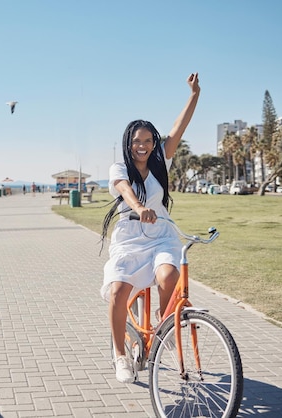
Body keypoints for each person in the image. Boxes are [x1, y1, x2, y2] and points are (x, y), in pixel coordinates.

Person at [100, 73, 200, 383]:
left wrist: (194, 95)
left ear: (153, 142)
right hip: (130, 239)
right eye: (136, 141)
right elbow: (125, 189)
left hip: (160, 237)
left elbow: (178, 128)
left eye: (147, 140)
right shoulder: (119, 168)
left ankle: (163, 320)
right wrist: (139, 207)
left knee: (170, 276)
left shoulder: (161, 162)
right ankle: (119, 355)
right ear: (128, 144)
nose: (141, 146)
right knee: (118, 291)